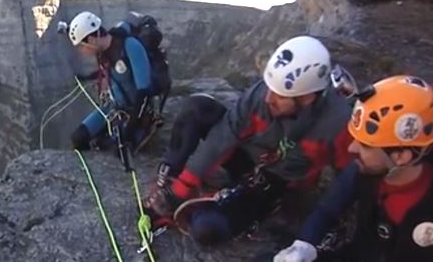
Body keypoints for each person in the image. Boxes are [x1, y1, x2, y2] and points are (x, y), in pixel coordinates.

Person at [143, 35, 354, 246]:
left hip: (275, 183)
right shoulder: (261, 95)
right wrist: (182, 187)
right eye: (270, 88)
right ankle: (167, 181)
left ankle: (226, 209)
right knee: (197, 108)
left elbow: (350, 176)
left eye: (280, 95)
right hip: (250, 157)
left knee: (207, 229)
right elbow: (224, 135)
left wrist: (326, 221)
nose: (269, 98)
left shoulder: (337, 124)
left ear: (306, 98)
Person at [274, 75, 433, 262]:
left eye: (365, 145)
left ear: (400, 156)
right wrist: (304, 245)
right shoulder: (367, 169)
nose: (352, 148)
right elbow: (328, 209)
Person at [66, 11, 155, 151]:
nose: (81, 51)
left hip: (138, 113)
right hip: (115, 108)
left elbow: (144, 92)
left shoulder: (131, 47)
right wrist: (87, 77)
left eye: (81, 46)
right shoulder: (103, 53)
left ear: (91, 39)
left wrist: (130, 129)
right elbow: (111, 72)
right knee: (78, 138)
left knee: (117, 150)